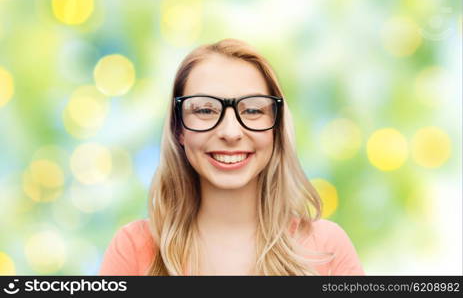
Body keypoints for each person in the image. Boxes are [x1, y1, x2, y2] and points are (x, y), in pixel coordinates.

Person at [99, 38, 364, 276]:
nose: (230, 132)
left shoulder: (326, 248)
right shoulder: (134, 247)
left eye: (252, 110)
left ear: (276, 127)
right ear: (179, 130)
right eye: (204, 110)